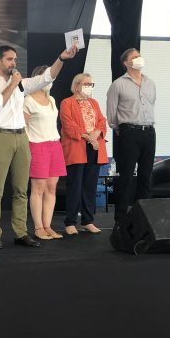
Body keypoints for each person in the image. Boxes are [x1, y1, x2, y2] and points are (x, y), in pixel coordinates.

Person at [0, 44, 78, 249]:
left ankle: (21, 232)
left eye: (15, 59)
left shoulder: (21, 84)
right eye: (9, 59)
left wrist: (61, 58)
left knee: (21, 189)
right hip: (0, 136)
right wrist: (13, 84)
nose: (14, 63)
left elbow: (47, 77)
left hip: (21, 137)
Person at [106, 48, 156, 223]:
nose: (139, 59)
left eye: (139, 56)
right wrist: (122, 130)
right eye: (135, 57)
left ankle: (143, 216)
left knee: (146, 176)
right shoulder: (118, 84)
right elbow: (111, 114)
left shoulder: (150, 83)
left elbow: (151, 105)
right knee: (126, 176)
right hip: (128, 132)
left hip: (149, 131)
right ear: (126, 63)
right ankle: (120, 219)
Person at [60, 73, 108, 235]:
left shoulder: (93, 102)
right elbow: (69, 125)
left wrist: (95, 135)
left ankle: (88, 221)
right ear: (76, 86)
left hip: (94, 147)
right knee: (75, 185)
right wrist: (90, 138)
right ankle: (70, 222)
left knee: (90, 186)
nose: (89, 87)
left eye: (91, 84)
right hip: (77, 147)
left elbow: (101, 121)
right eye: (86, 84)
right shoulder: (67, 103)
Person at [23, 66, 66, 240]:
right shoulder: (28, 100)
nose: (50, 81)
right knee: (38, 188)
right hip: (37, 145)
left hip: (55, 145)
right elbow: (23, 127)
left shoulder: (52, 99)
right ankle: (38, 227)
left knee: (51, 187)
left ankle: (48, 226)